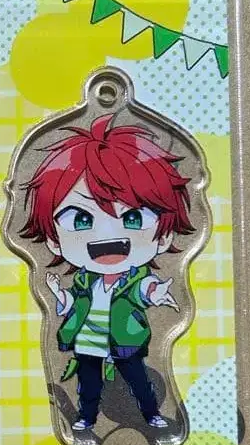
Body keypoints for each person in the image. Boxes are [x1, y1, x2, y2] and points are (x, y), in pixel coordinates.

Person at [21, 113, 195, 429]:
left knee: (138, 380)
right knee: (89, 385)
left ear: (165, 235)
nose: (107, 238)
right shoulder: (84, 279)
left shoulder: (135, 278)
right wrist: (59, 293)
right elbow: (74, 306)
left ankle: (152, 414)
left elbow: (144, 289)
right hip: (88, 341)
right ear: (53, 240)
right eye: (80, 220)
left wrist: (157, 292)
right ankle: (86, 418)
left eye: (133, 218)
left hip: (125, 341)